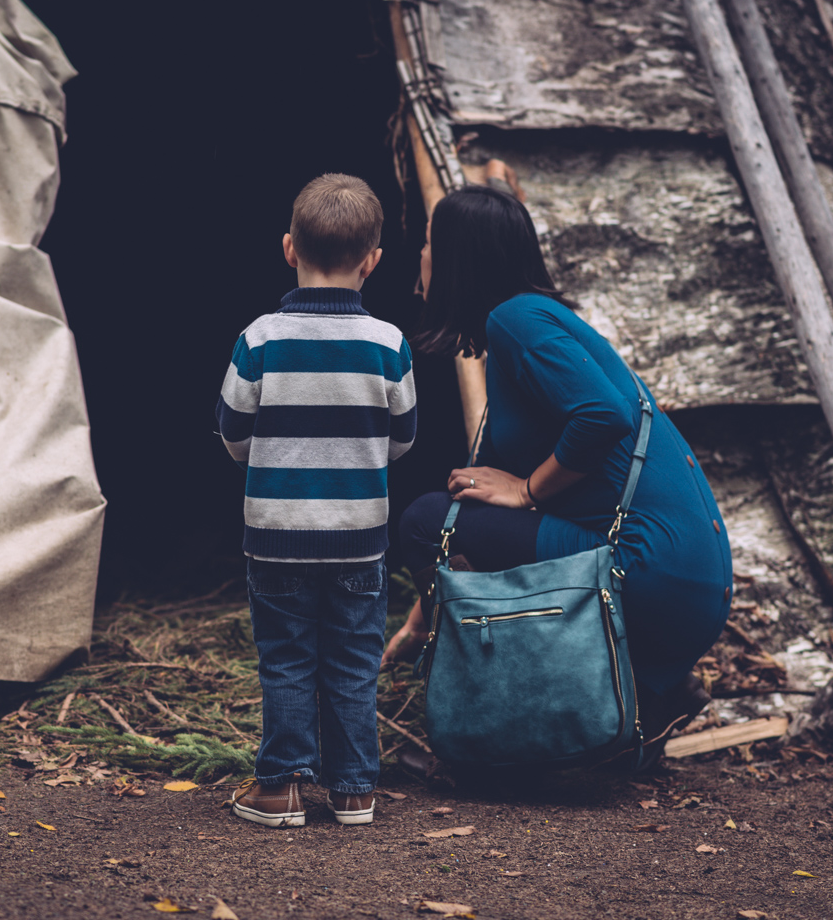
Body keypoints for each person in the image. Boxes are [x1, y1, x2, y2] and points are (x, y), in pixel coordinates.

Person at [384, 179, 730, 767]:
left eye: (426, 242)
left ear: (457, 258)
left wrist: (526, 490)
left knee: (420, 521)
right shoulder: (532, 328)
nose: (419, 255)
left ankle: (477, 706)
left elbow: (603, 415)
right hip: (693, 578)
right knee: (451, 515)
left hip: (647, 565)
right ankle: (644, 708)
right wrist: (419, 622)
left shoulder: (516, 320)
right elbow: (471, 512)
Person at [216, 174, 417, 826]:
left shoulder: (259, 338)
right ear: (373, 261)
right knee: (355, 658)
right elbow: (403, 439)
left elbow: (234, 434)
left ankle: (279, 790)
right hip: (360, 536)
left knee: (287, 657)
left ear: (287, 248)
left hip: (276, 537)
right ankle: (355, 788)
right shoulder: (389, 344)